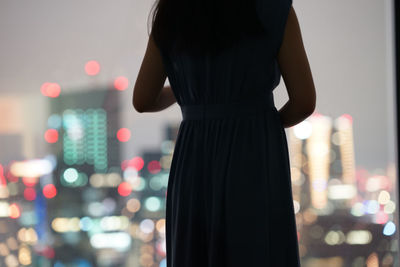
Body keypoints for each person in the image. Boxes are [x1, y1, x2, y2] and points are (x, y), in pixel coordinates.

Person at [133, 0, 316, 266]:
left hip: (195, 155)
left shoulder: (172, 11)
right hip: (253, 152)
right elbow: (304, 101)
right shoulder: (274, 9)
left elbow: (143, 100)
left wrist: (191, 88)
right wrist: (264, 126)